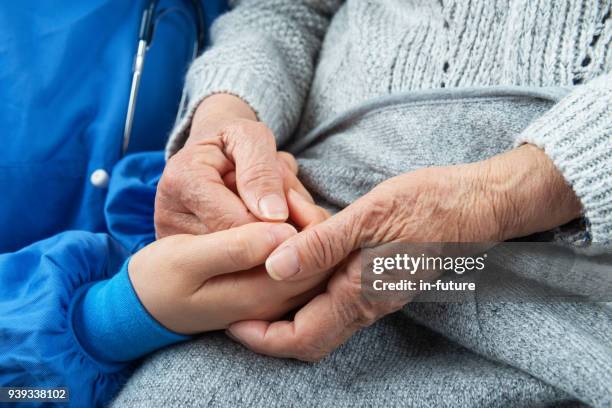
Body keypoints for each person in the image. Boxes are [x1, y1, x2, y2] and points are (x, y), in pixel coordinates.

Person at [113, 0, 612, 406]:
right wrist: (225, 117)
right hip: (325, 226)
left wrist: (497, 198)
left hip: (573, 263)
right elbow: (283, 12)